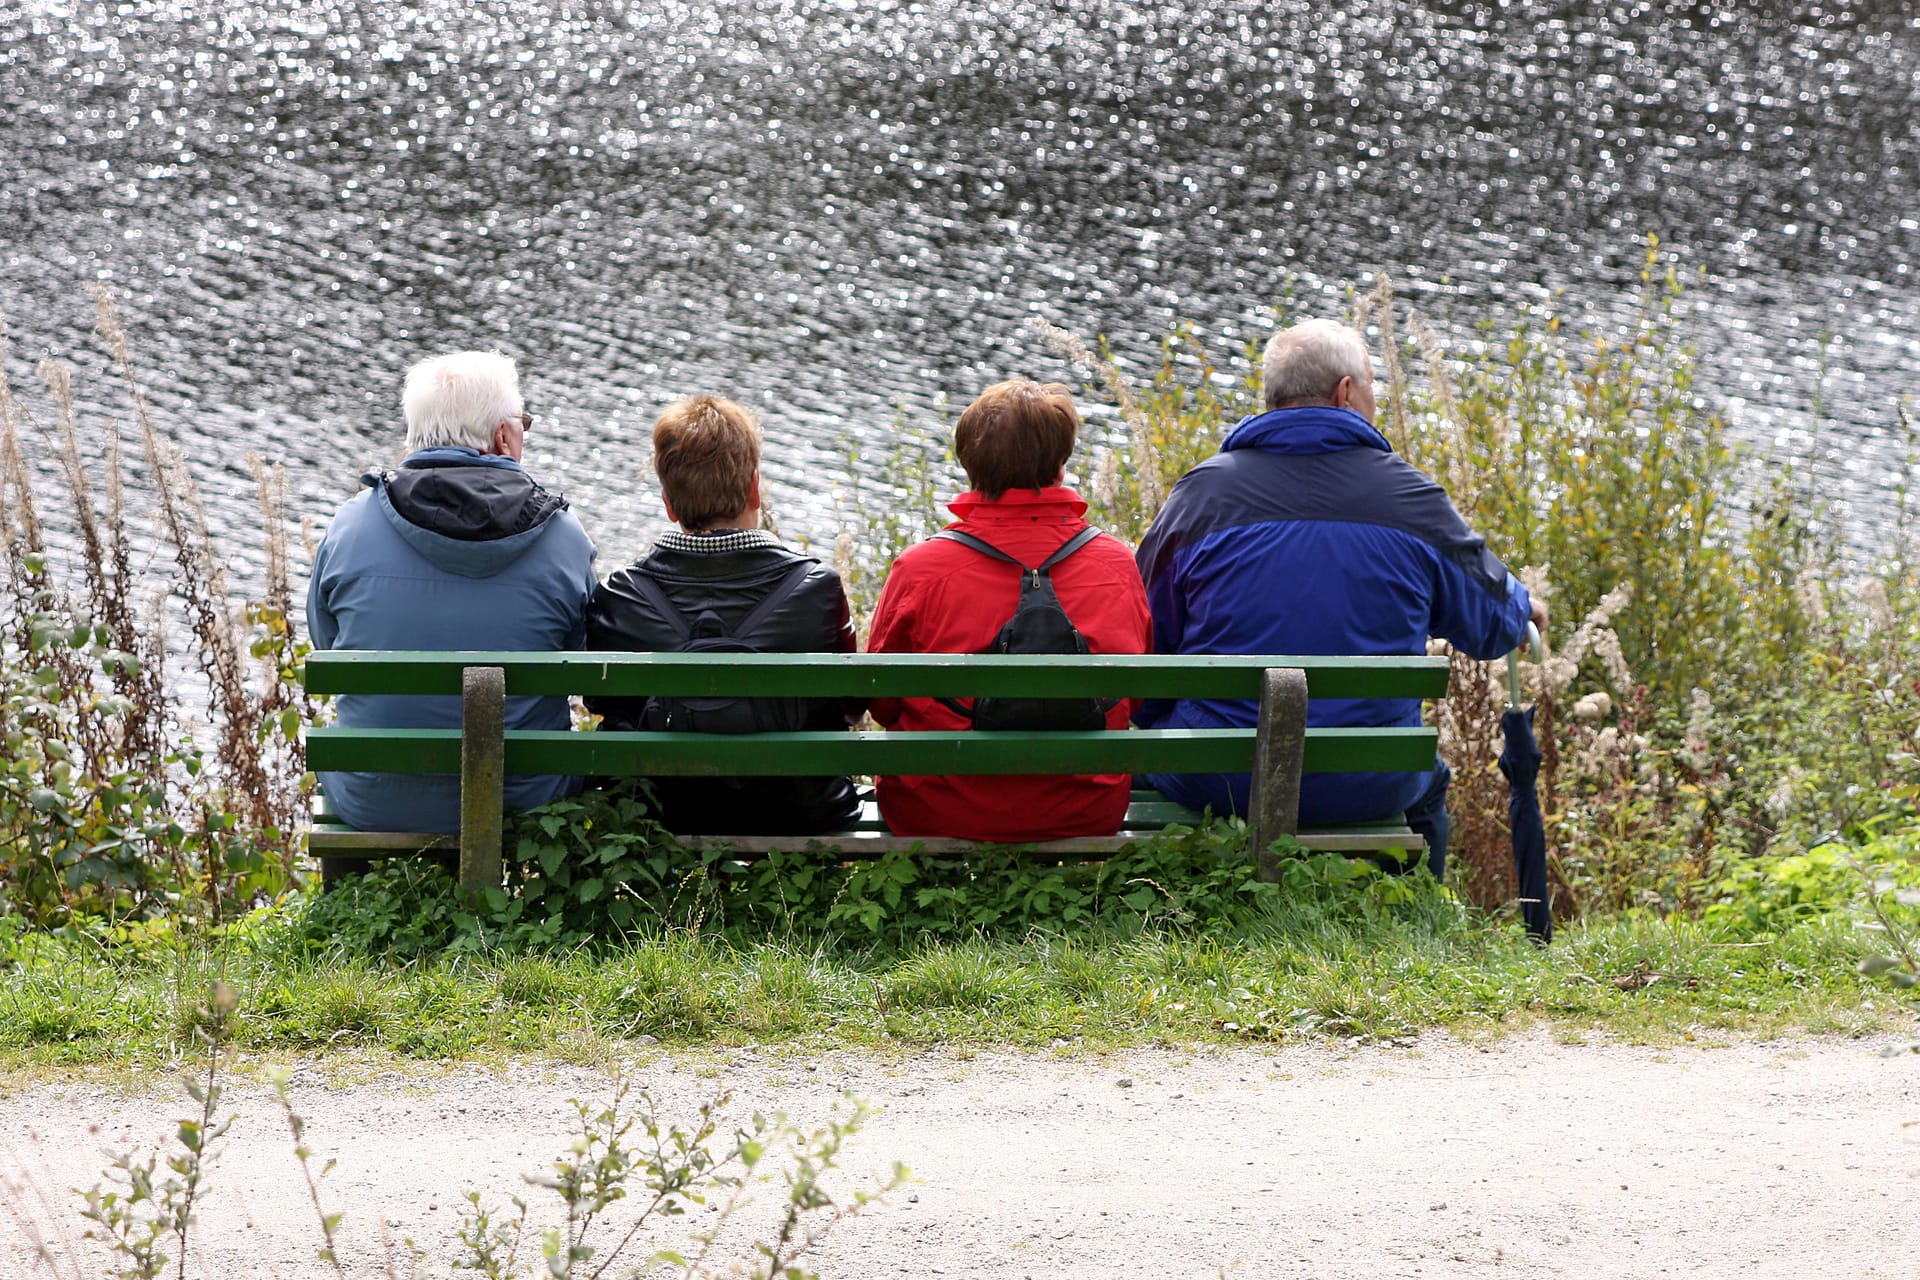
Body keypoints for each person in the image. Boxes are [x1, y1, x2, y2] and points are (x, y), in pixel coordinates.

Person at [1133, 318, 1546, 877]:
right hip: (1369, 781)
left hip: (1221, 777)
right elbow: (1495, 624)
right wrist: (1522, 608)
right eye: (1374, 387)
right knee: (1427, 784)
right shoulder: (1411, 498)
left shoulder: (1200, 495)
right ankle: (1415, 920)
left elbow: (1147, 633)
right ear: (1345, 392)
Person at [307, 350, 599, 850]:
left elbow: (328, 639)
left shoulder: (350, 526)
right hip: (525, 795)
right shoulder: (563, 537)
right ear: (504, 436)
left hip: (375, 796)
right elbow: (581, 652)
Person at [866, 379, 1152, 842]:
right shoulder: (1115, 563)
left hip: (939, 807)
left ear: (969, 466)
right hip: (1084, 808)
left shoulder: (921, 568)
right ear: (1060, 467)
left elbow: (882, 700)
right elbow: (1133, 695)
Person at [584, 395, 861, 835]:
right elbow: (849, 706)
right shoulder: (817, 588)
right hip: (798, 811)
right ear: (754, 487)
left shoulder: (622, 593)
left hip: (662, 814)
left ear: (668, 503)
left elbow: (605, 704)